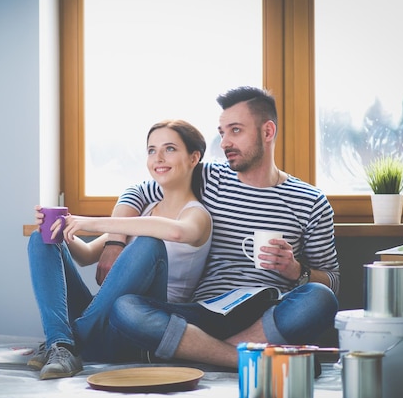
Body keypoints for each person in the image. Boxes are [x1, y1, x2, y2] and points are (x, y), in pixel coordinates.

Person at [102, 86, 340, 369]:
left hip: (265, 314)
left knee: (320, 299)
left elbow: (332, 280)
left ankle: (197, 352)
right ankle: (245, 358)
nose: (225, 142)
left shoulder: (310, 201)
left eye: (236, 131)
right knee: (125, 308)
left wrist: (295, 270)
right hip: (201, 313)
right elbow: (138, 192)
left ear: (267, 132)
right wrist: (114, 243)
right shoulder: (208, 177)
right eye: (222, 132)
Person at [27, 119, 213, 379]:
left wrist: (88, 221)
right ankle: (63, 344)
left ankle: (65, 340)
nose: (158, 157)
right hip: (101, 321)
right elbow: (87, 255)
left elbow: (175, 231)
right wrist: (61, 231)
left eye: (169, 149)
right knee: (41, 240)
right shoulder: (147, 211)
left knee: (149, 242)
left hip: (135, 325)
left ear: (194, 157)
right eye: (151, 150)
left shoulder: (197, 215)